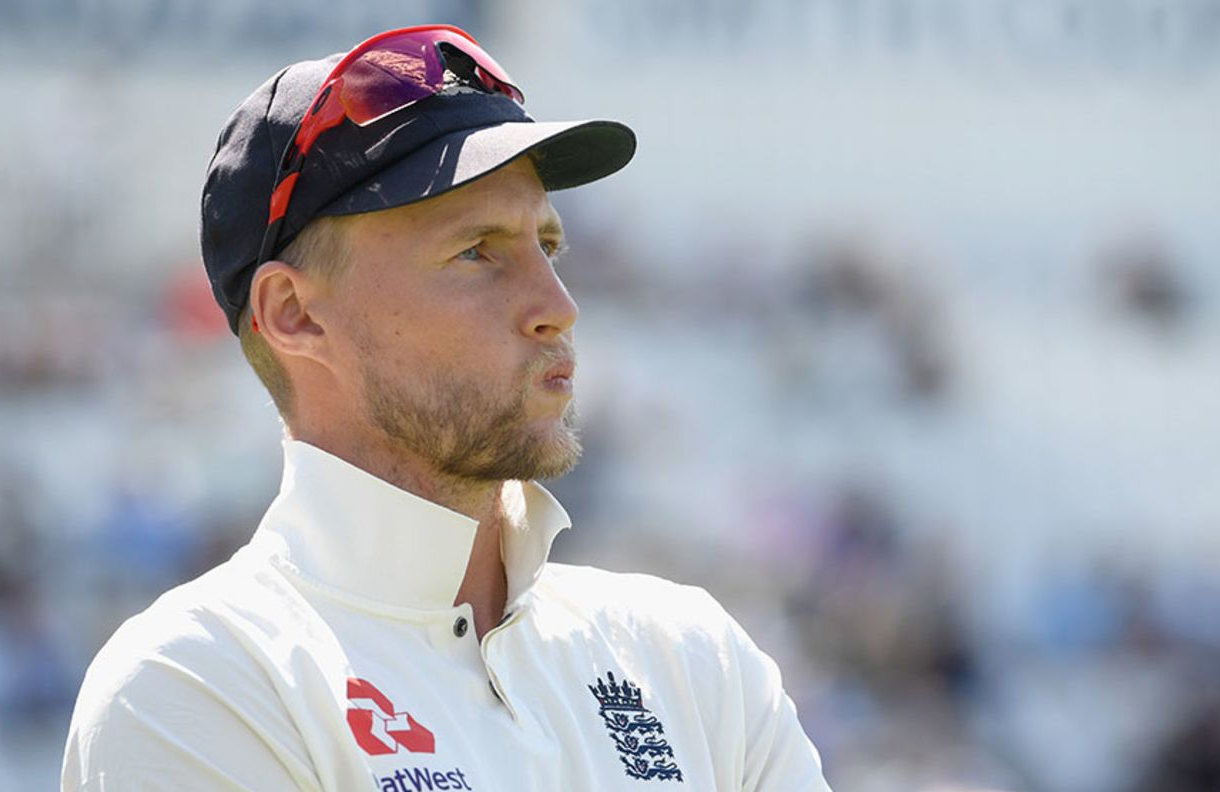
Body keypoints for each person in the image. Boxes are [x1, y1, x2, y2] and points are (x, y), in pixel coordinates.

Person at [62, 24, 831, 791]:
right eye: (476, 252)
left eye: (549, 247)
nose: (556, 307)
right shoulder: (197, 686)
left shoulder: (695, 660)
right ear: (295, 314)